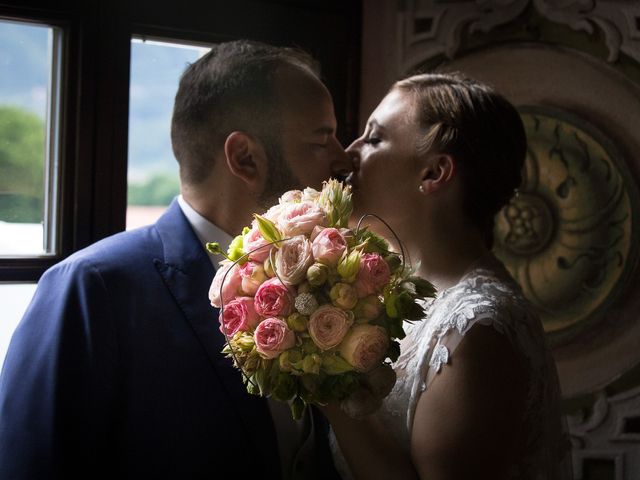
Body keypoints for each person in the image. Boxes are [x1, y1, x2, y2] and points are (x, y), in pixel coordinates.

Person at [0, 40, 352, 479]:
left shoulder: (332, 284)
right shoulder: (94, 288)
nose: (345, 156)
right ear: (245, 158)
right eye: (322, 140)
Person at [326, 73, 572, 479]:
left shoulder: (478, 330)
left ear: (434, 173)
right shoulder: (381, 288)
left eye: (373, 139)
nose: (346, 154)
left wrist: (325, 386)